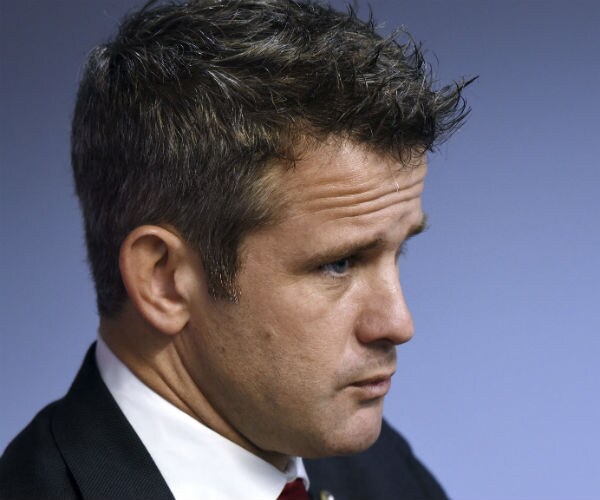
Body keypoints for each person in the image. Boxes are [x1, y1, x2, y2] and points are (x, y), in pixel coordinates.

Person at [0, 0, 472, 498]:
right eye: (338, 264)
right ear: (164, 280)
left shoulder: (378, 472)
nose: (399, 324)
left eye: (398, 252)